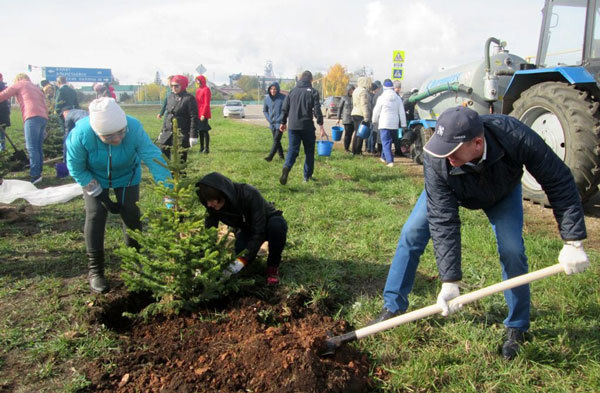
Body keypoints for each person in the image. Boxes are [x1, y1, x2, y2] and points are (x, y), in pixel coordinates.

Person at [370, 106, 589, 360]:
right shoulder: (437, 157)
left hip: (501, 192)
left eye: (452, 149)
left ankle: (517, 326)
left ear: (477, 142)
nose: (445, 154)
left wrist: (573, 240)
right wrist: (450, 280)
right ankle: (393, 305)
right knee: (412, 233)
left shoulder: (514, 135)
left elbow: (558, 179)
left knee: (512, 249)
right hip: (452, 191)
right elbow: (443, 219)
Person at [66, 97, 172, 294]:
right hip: (94, 176)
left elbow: (153, 157)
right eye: (108, 137)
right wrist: (98, 193)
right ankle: (96, 271)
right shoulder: (81, 134)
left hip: (127, 175)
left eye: (121, 133)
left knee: (131, 213)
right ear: (98, 133)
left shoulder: (134, 127)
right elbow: (75, 166)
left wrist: (168, 193)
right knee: (96, 214)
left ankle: (134, 263)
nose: (117, 140)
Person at [196, 172, 288, 285]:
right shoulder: (212, 207)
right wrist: (201, 262)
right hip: (246, 229)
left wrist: (243, 259)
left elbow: (259, 230)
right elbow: (209, 234)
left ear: (223, 194)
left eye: (212, 200)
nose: (209, 204)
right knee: (240, 252)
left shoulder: (249, 194)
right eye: (207, 201)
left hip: (266, 223)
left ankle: (272, 267)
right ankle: (252, 257)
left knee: (277, 227)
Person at [279, 70, 327, 185]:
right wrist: (321, 126)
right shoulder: (313, 92)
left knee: (293, 150)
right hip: (307, 126)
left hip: (293, 127)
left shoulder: (292, 91)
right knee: (309, 152)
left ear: (300, 79)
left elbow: (285, 108)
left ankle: (287, 167)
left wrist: (283, 122)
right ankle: (307, 177)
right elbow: (317, 110)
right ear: (311, 80)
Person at [0, 73, 48, 183]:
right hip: (43, 117)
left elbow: (4, 95)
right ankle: (39, 173)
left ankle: (35, 175)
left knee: (31, 147)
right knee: (38, 147)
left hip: (31, 116)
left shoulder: (20, 84)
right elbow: (45, 104)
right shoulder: (36, 88)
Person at [157, 75, 198, 162]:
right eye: (172, 85)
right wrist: (162, 131)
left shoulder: (189, 98)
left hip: (181, 133)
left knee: (180, 159)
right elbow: (167, 115)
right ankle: (166, 174)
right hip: (167, 133)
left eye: (176, 86)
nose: (173, 88)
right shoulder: (170, 97)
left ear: (183, 85)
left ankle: (180, 175)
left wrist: (193, 135)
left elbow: (194, 117)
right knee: (163, 156)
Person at [372, 79, 407, 167]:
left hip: (384, 123)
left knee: (386, 142)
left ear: (384, 88)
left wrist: (374, 120)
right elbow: (402, 112)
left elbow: (376, 111)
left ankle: (390, 161)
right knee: (388, 142)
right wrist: (403, 124)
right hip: (394, 124)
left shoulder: (381, 98)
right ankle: (383, 157)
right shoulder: (397, 98)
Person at [262, 82, 285, 162]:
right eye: (271, 89)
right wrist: (269, 119)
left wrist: (280, 119)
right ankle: (281, 156)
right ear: (269, 89)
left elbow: (285, 111)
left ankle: (270, 156)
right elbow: (265, 111)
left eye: (275, 89)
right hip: (272, 124)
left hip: (280, 123)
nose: (273, 90)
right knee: (277, 141)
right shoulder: (267, 99)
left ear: (277, 89)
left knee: (276, 140)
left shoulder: (283, 98)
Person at [350, 76, 372, 155]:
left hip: (354, 113)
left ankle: (354, 150)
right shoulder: (363, 91)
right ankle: (358, 151)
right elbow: (364, 104)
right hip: (360, 114)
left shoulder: (356, 90)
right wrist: (366, 116)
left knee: (356, 132)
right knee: (361, 133)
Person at [194, 75, 212, 154]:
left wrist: (203, 114)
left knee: (204, 131)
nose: (197, 82)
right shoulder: (198, 90)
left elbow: (206, 103)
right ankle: (201, 148)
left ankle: (207, 148)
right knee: (200, 131)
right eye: (196, 80)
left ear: (202, 80)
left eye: (198, 80)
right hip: (198, 112)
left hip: (203, 113)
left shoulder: (206, 89)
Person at [336, 85, 355, 153]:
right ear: (348, 90)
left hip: (353, 118)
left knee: (352, 134)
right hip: (346, 118)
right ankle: (346, 148)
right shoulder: (344, 98)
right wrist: (338, 118)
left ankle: (351, 148)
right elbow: (340, 108)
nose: (353, 91)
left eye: (353, 89)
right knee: (347, 134)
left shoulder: (354, 97)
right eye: (352, 90)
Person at [367, 81, 382, 154]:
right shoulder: (375, 96)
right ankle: (372, 149)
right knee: (373, 133)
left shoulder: (373, 95)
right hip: (374, 116)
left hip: (371, 116)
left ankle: (369, 148)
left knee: (371, 133)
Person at [0, 73, 10, 152]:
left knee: (2, 133)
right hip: (4, 113)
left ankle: (2, 149)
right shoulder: (4, 87)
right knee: (2, 133)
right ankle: (2, 149)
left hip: (2, 112)